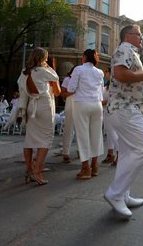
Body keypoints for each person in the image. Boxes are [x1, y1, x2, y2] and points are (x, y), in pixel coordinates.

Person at [104, 24, 143, 219]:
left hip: (126, 108)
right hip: (124, 109)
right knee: (142, 149)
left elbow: (135, 81)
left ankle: (124, 194)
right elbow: (120, 74)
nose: (141, 39)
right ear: (128, 36)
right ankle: (115, 193)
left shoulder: (131, 53)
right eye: (138, 35)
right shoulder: (124, 49)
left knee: (128, 152)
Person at [17, 47, 60, 185]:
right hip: (44, 105)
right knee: (46, 138)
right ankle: (37, 171)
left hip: (31, 106)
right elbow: (56, 83)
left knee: (29, 139)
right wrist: (49, 66)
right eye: (46, 57)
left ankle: (29, 169)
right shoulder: (43, 71)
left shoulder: (25, 72)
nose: (47, 60)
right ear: (42, 58)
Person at [67, 49, 105, 180]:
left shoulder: (78, 69)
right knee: (96, 135)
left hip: (82, 103)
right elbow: (101, 90)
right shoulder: (100, 72)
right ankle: (95, 166)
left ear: (84, 57)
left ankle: (85, 168)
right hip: (97, 104)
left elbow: (71, 89)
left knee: (83, 135)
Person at [60, 66, 76, 163]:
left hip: (81, 105)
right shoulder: (67, 79)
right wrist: (72, 92)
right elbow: (62, 94)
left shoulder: (83, 80)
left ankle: (81, 151)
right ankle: (66, 152)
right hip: (70, 105)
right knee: (68, 129)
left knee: (81, 130)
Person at [102, 72, 118, 165]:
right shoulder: (108, 85)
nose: (105, 73)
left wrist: (101, 103)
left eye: (107, 72)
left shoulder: (114, 86)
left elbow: (112, 99)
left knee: (112, 133)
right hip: (107, 111)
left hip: (111, 111)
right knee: (109, 133)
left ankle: (119, 154)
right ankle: (110, 154)